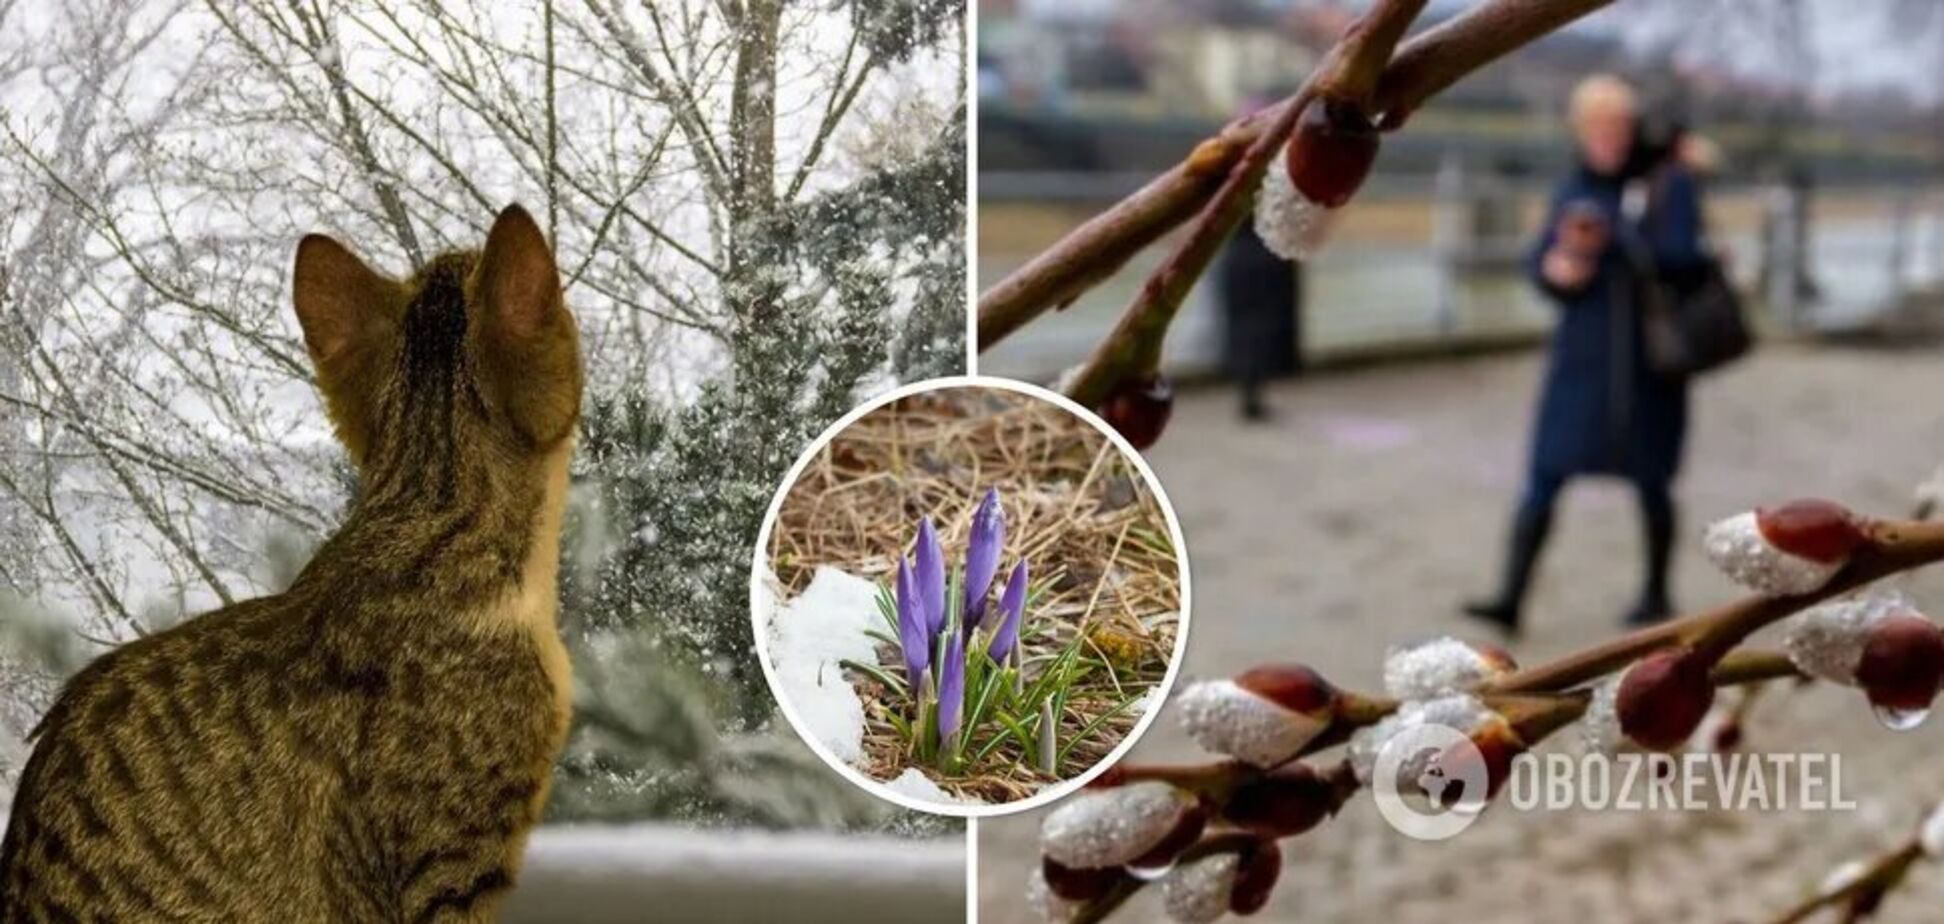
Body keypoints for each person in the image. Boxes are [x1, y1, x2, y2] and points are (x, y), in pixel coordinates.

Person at [1464, 75, 1709, 634]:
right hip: (1581, 361)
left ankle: (1655, 593)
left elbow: (1684, 260)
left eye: (1617, 124)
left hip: (1651, 363)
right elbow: (1541, 262)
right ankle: (1510, 597)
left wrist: (1614, 237)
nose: (1607, 136)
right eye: (1596, 125)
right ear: (1580, 130)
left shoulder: (1668, 183)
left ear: (1633, 128)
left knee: (1654, 482)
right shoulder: (1572, 187)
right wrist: (1558, 269)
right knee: (1544, 477)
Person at [1216, 219, 1303, 421]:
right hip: (1267, 258)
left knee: (1244, 328)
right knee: (1259, 328)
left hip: (1240, 259)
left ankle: (1249, 388)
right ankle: (1253, 389)